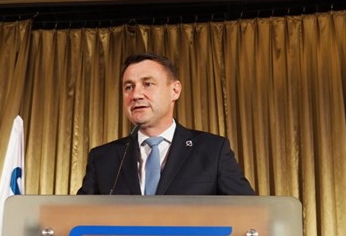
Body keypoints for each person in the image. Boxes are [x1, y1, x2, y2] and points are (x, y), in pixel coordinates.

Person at [77, 52, 255, 196]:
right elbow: (77, 218)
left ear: (175, 90)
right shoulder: (103, 158)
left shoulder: (213, 150)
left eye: (148, 84)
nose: (136, 95)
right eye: (129, 87)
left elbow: (249, 213)